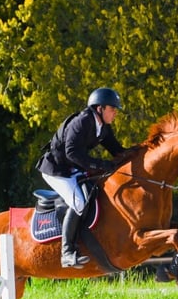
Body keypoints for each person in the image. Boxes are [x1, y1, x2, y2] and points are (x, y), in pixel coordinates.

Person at [36, 87, 127, 268]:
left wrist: (141, 152)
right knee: (78, 201)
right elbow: (71, 153)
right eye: (112, 109)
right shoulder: (82, 122)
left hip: (71, 168)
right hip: (56, 169)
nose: (115, 113)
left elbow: (117, 151)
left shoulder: (103, 128)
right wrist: (100, 165)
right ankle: (67, 252)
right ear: (99, 108)